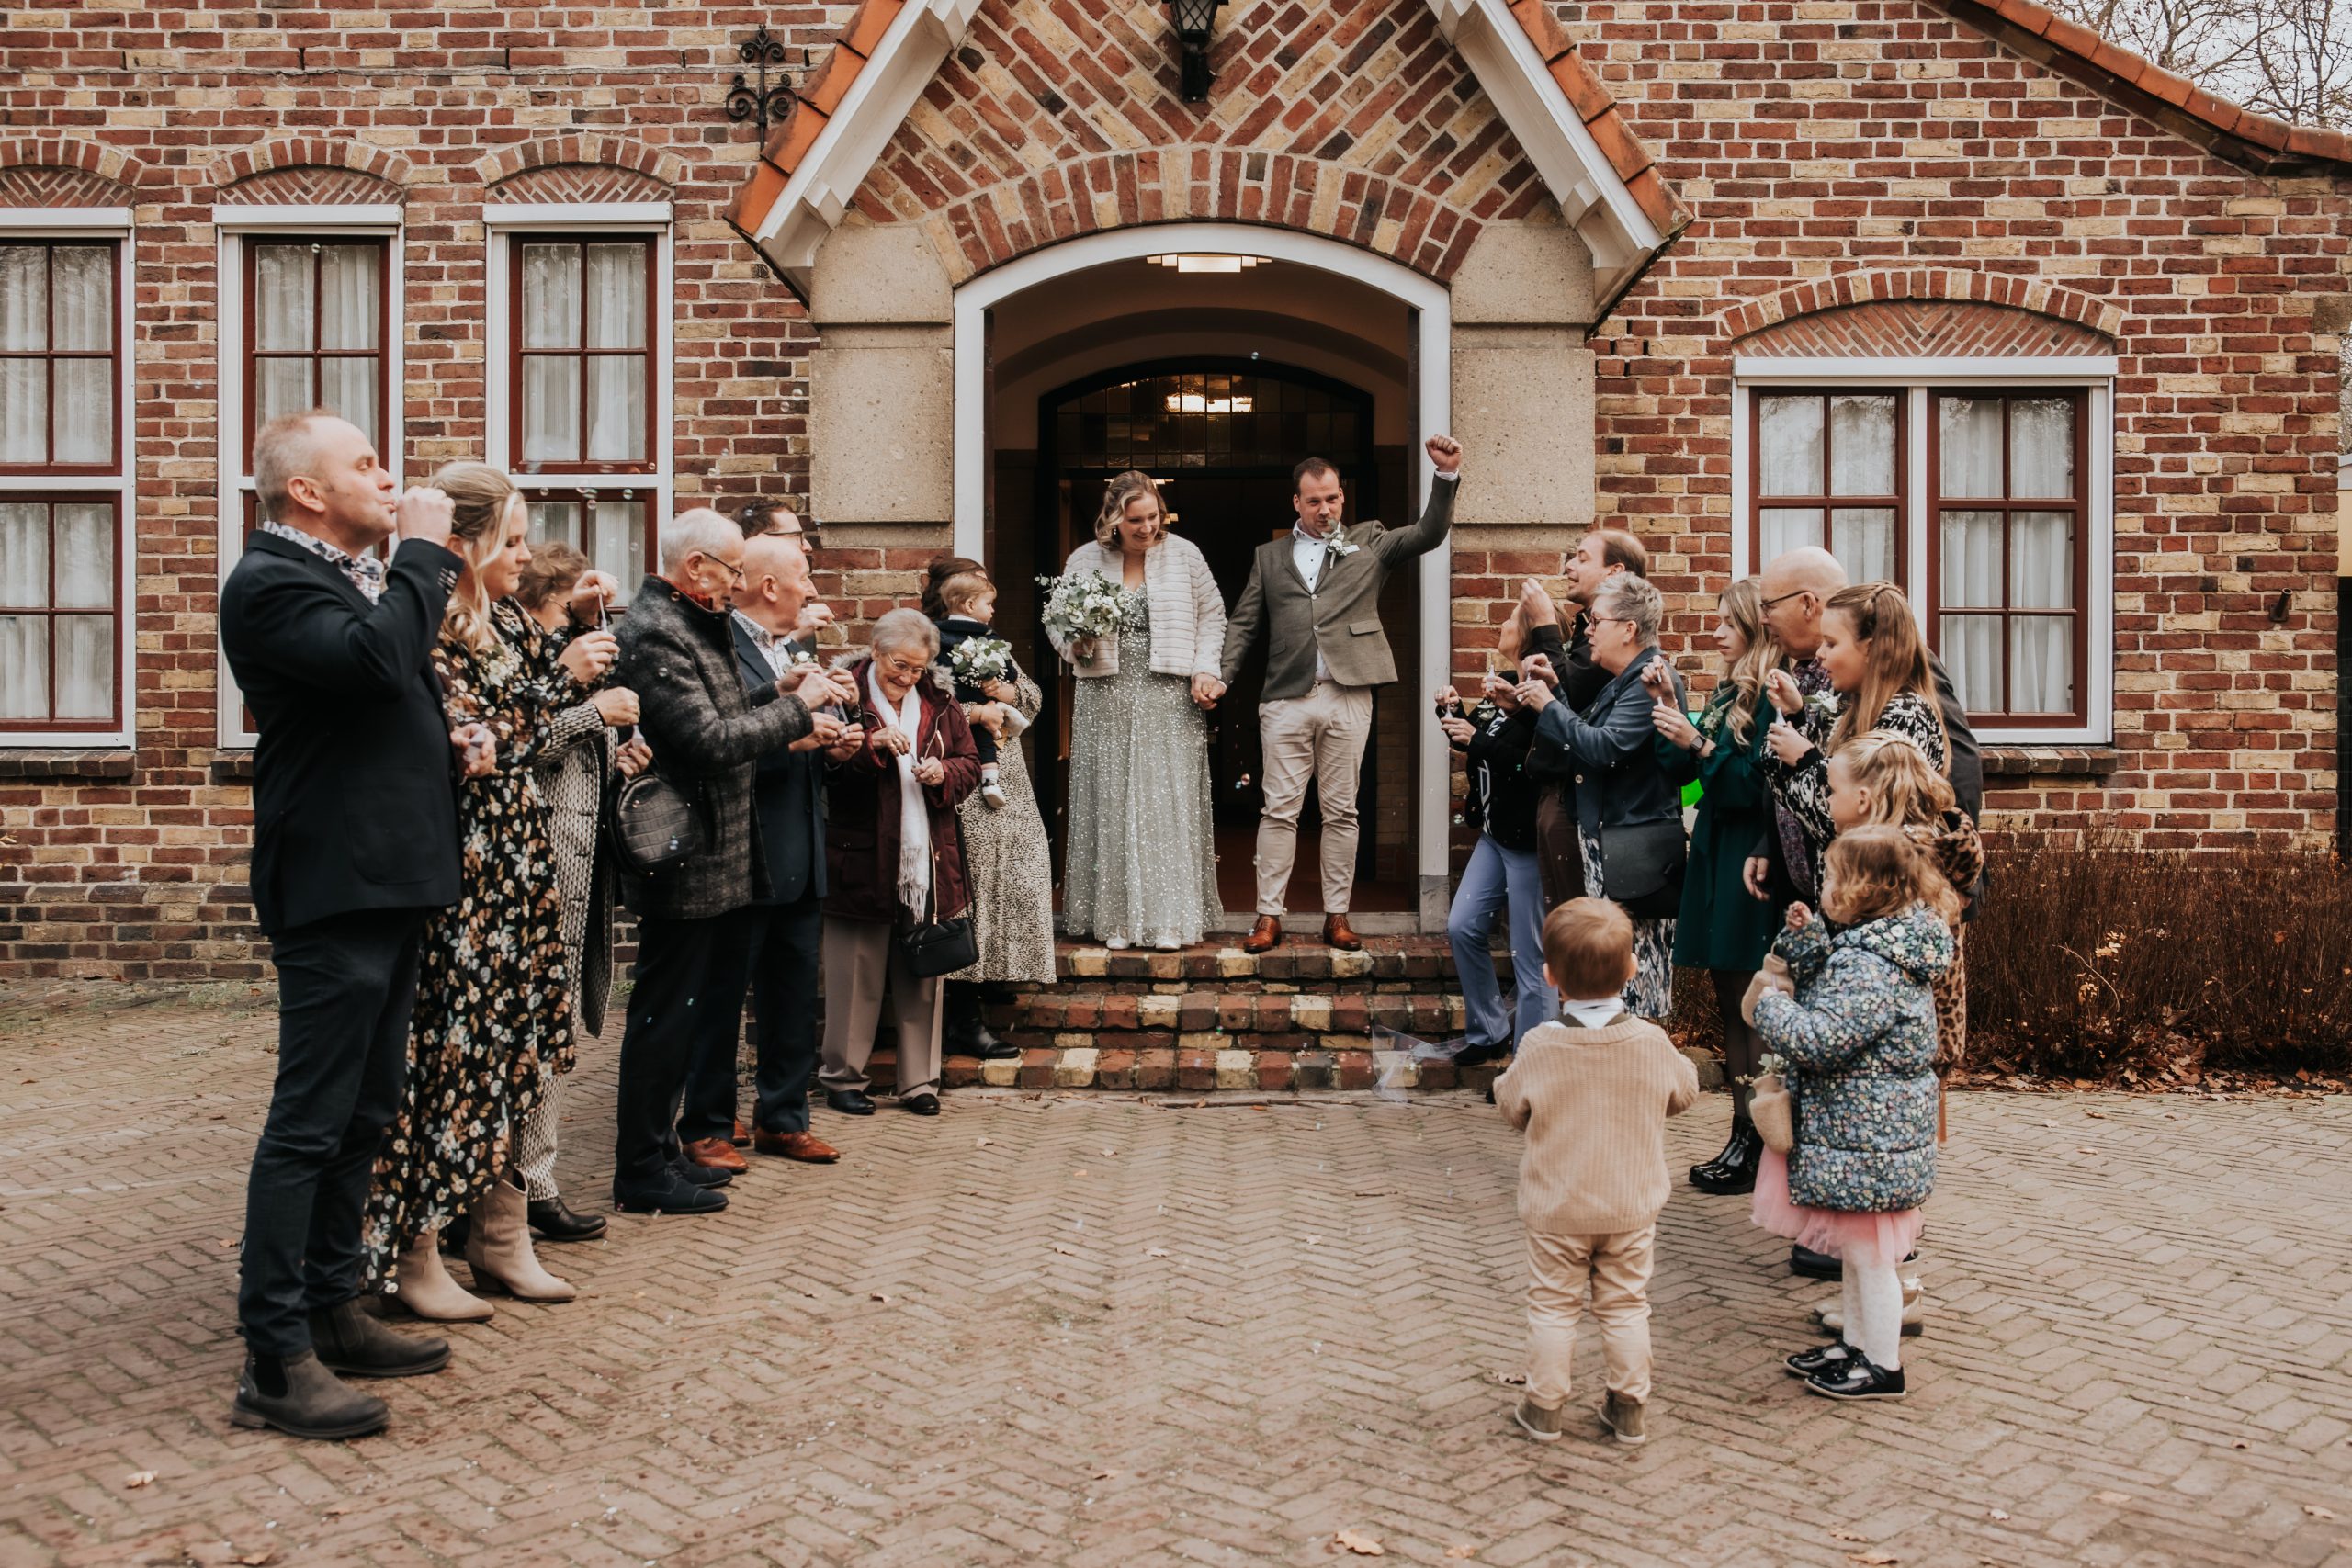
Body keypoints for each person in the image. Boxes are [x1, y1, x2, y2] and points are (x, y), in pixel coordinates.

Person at [218, 412, 475, 1439]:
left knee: (367, 1108)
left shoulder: (350, 579)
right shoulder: (270, 582)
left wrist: (446, 740)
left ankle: (334, 1306)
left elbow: (377, 695)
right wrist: (424, 552)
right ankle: (274, 1358)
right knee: (310, 1120)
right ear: (308, 492)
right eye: (365, 463)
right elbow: (373, 665)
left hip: (389, 876)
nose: (389, 477)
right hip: (335, 881)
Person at [360, 461, 615, 1321]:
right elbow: (486, 736)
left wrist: (576, 629)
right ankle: (419, 1248)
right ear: (463, 546)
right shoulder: (428, 622)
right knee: (452, 1062)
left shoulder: (498, 621)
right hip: (465, 872)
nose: (524, 556)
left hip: (516, 864)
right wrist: (567, 683)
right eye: (511, 540)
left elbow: (531, 700)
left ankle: (502, 1237)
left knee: (513, 1053)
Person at [607, 509, 851, 1215]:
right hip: (688, 858)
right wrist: (799, 710)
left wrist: (776, 691)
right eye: (732, 569)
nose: (739, 582)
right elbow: (706, 740)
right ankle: (642, 1170)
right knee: (664, 1019)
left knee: (681, 1016)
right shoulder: (659, 629)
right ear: (696, 568)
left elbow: (722, 709)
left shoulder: (689, 620)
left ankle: (659, 1156)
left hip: (716, 858)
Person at [1218, 436, 1464, 953]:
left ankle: (1337, 915)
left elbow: (1428, 532)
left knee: (1341, 811)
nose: (1325, 508)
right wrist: (1221, 675)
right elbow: (1243, 623)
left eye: (1332, 498)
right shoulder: (1268, 557)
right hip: (1285, 695)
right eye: (1314, 501)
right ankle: (1267, 916)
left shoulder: (1370, 540)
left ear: (1342, 496)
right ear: (1296, 503)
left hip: (1348, 692)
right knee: (1278, 810)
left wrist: (1445, 476)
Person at [1747, 827, 1954, 1402]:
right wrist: (1809, 941)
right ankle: (1857, 1346)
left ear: (1863, 888)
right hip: (1865, 1137)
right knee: (1858, 1259)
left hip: (1869, 1141)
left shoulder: (1873, 964)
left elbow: (1824, 1037)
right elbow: (1838, 991)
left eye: (1832, 877)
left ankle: (1883, 1366)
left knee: (1870, 1261)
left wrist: (1773, 1009)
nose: (1823, 886)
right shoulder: (1873, 949)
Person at [1494, 898, 1702, 1447]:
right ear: (1632, 968)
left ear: (1550, 975)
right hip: (1630, 1205)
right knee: (1627, 1305)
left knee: (1553, 1306)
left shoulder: (1541, 1045)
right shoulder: (1650, 1042)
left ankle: (1544, 1406)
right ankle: (1629, 1405)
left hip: (1557, 1208)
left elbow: (1511, 1106)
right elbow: (1685, 1092)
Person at [683, 528, 859, 1168]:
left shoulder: (793, 649)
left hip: (801, 849)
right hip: (745, 850)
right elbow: (717, 745)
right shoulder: (721, 647)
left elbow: (799, 732)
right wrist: (792, 741)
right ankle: (707, 1124)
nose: (811, 590)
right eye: (804, 579)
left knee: (792, 999)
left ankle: (783, 1120)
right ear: (769, 586)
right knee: (723, 998)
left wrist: (833, 749)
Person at [510, 541, 649, 1243]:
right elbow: (519, 743)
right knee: (538, 1028)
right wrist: (595, 714)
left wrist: (618, 755)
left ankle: (533, 1176)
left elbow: (573, 757)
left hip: (577, 867)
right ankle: (526, 1184)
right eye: (572, 607)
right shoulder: (526, 658)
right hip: (536, 869)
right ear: (547, 602)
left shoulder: (559, 656)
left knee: (555, 1028)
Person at [1745, 550, 1984, 910]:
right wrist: (1795, 720)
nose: (1762, 618)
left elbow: (1956, 767)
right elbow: (1808, 775)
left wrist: (1960, 875)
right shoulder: (1840, 690)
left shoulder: (1904, 699)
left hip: (1881, 899)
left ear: (1807, 604)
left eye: (1769, 606)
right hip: (1834, 895)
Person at [1648, 577, 1783, 1196]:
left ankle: (1760, 1139)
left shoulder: (1771, 695)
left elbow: (1754, 786)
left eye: (1728, 622)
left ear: (1755, 627)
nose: (1717, 632)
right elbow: (1686, 776)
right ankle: (1741, 1130)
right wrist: (1670, 714)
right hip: (1716, 849)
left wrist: (1701, 743)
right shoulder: (1728, 690)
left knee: (1751, 999)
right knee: (1729, 997)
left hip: (1749, 854)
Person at [1054, 471, 1227, 951]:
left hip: (1168, 694)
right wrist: (1076, 643)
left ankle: (1167, 919)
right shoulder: (1083, 560)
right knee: (1110, 801)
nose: (1148, 527)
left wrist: (1205, 669)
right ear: (1114, 519)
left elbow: (1213, 615)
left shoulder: (1185, 555)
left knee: (1164, 803)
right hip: (1103, 693)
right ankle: (1115, 921)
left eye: (1154, 516)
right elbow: (1057, 624)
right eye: (1135, 520)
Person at [820, 609, 983, 1115]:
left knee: (924, 973)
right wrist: (868, 747)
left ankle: (919, 1083)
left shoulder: (940, 701)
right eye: (900, 665)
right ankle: (844, 1079)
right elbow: (824, 772)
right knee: (854, 975)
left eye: (918, 668)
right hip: (860, 858)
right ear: (875, 651)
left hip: (927, 859)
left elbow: (970, 763)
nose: (909, 677)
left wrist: (944, 772)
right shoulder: (840, 695)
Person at [1516, 574, 1689, 1019]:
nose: (1588, 630)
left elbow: (1604, 748)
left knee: (1636, 985)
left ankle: (1638, 1057)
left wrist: (1548, 705)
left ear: (1628, 629)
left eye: (1596, 621)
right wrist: (1555, 692)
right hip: (1614, 842)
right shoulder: (1622, 679)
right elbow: (1589, 733)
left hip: (1635, 851)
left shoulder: (1649, 679)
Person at [925, 558, 1054, 1052]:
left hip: (1008, 776)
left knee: (1018, 873)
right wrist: (975, 710)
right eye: (981, 591)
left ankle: (1000, 971)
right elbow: (923, 706)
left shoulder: (991, 643)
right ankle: (962, 1015)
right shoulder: (931, 643)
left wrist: (1010, 691)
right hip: (961, 774)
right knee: (971, 889)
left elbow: (1033, 699)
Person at [1758, 581, 1948, 857]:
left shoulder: (1907, 717)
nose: (1820, 654)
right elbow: (1795, 799)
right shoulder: (1853, 710)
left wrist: (1805, 760)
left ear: (1870, 648)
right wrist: (1795, 717)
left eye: (1831, 643)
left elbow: (1852, 826)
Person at [1516, 531, 1648, 909]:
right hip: (1558, 792)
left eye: (1582, 558)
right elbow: (1568, 704)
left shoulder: (1626, 655)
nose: (1568, 567)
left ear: (1614, 572)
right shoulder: (1588, 632)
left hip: (1584, 804)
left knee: (1578, 922)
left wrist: (1544, 623)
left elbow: (1579, 705)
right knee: (1560, 920)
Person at [1440, 604, 1547, 1067]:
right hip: (1493, 834)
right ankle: (1489, 1031)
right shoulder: (1503, 682)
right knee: (1462, 926)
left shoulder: (1544, 695)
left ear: (1527, 636)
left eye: (1510, 620)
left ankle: (1531, 1067)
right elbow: (1478, 742)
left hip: (1528, 842)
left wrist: (1476, 738)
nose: (1501, 624)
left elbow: (1528, 765)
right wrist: (1452, 712)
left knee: (1530, 957)